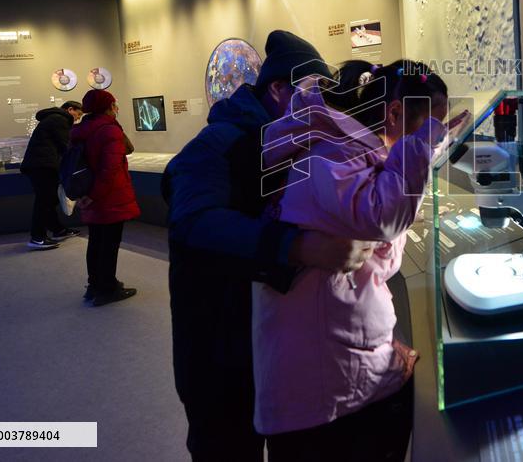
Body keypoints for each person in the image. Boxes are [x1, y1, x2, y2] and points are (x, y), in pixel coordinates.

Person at [163, 30, 381, 461]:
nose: (322, 105)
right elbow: (194, 226)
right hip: (220, 355)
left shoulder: (293, 146)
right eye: (312, 91)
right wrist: (300, 247)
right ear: (278, 90)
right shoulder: (215, 146)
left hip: (275, 351)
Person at [253, 60, 450, 462]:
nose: (435, 133)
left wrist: (420, 148)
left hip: (325, 364)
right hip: (323, 394)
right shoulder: (334, 151)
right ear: (394, 112)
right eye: (432, 122)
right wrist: (423, 147)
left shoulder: (348, 146)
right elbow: (382, 217)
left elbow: (379, 256)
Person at [70, 89, 140, 306]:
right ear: (107, 107)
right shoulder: (109, 131)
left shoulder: (81, 129)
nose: (116, 108)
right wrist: (94, 195)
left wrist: (86, 195)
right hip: (108, 197)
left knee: (97, 241)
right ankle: (107, 288)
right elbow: (110, 170)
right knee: (109, 244)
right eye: (114, 104)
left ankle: (94, 285)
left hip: (90, 194)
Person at [20, 100, 84, 250]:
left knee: (48, 199)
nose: (78, 118)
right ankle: (37, 237)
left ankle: (57, 230)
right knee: (44, 201)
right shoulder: (60, 119)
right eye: (78, 114)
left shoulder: (53, 118)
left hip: (40, 165)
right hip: (43, 166)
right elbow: (65, 146)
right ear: (70, 109)